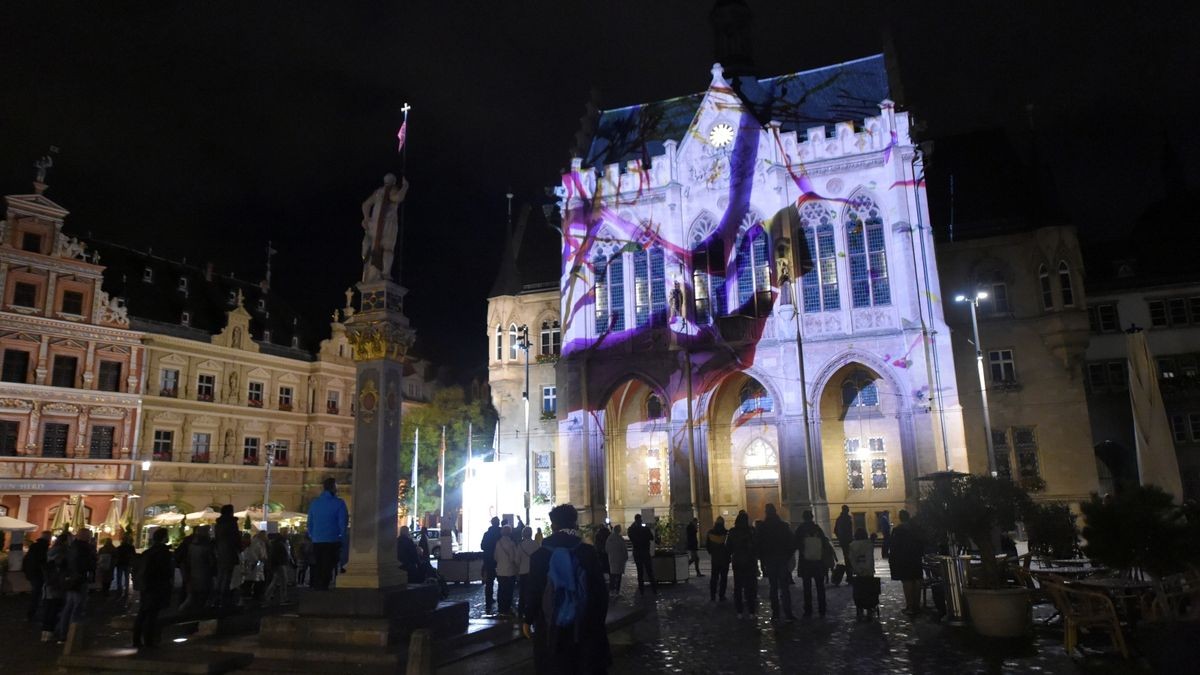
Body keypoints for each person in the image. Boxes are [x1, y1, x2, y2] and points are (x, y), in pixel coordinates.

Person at [521, 504, 610, 675]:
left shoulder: (540, 555)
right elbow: (600, 594)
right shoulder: (587, 552)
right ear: (574, 524)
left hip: (551, 628)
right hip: (583, 628)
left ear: (553, 526)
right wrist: (596, 623)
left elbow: (534, 592)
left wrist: (528, 617)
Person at [133, 528, 174, 650]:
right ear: (164, 538)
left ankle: (137, 639)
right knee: (152, 614)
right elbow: (166, 571)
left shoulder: (148, 552)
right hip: (157, 586)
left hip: (146, 586)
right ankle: (148, 641)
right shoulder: (163, 552)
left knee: (143, 612)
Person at [307, 477, 349, 591]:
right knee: (329, 565)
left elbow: (309, 523)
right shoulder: (339, 503)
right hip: (333, 540)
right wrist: (343, 538)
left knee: (319, 565)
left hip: (317, 540)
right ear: (333, 488)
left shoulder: (314, 503)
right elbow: (343, 523)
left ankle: (318, 586)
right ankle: (324, 587)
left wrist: (312, 535)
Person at [757, 503, 796, 623]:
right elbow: (791, 543)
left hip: (770, 560)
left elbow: (759, 545)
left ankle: (775, 613)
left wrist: (763, 560)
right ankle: (788, 613)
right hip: (782, 559)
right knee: (784, 587)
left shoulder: (763, 527)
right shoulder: (783, 526)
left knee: (773, 587)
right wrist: (787, 556)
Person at [58, 528, 95, 640]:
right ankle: (72, 634)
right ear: (84, 536)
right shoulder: (84, 548)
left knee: (68, 606)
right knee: (77, 607)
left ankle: (63, 632)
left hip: (71, 580)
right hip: (79, 580)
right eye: (89, 535)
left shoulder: (71, 547)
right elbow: (87, 564)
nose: (90, 538)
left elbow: (64, 563)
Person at [794, 510, 831, 617]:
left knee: (807, 587)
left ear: (803, 518)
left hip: (806, 562)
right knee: (820, 586)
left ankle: (808, 609)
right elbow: (824, 543)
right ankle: (822, 608)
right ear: (812, 517)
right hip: (818, 562)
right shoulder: (817, 528)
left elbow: (796, 543)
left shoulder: (800, 529)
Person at [888, 509, 924, 616]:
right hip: (916, 557)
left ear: (900, 518)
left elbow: (893, 547)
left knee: (907, 581)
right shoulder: (916, 528)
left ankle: (910, 606)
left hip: (904, 558)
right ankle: (917, 605)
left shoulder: (898, 530)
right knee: (917, 580)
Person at [727, 511, 758, 618]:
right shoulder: (751, 531)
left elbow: (728, 548)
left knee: (738, 587)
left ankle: (739, 611)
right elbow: (756, 546)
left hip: (738, 562)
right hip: (750, 562)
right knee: (750, 587)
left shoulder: (732, 531)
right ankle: (751, 611)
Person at [41, 531, 70, 642]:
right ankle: (50, 632)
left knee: (48, 608)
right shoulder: (63, 552)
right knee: (54, 609)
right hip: (57, 584)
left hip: (48, 584)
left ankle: (45, 632)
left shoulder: (51, 550)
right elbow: (63, 567)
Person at [180, 526, 214, 612]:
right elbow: (211, 562)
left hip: (193, 575)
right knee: (201, 597)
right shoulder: (206, 548)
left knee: (192, 596)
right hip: (203, 575)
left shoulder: (191, 546)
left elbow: (187, 560)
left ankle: (187, 613)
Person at [213, 505, 241, 608]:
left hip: (221, 552)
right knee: (228, 576)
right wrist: (239, 548)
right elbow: (236, 538)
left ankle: (217, 597)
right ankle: (225, 598)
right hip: (230, 551)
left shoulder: (218, 524)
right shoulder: (232, 523)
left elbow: (216, 539)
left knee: (221, 575)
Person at [848, 527, 879, 621]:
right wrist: (867, 569)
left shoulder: (852, 545)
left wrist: (858, 569)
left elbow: (852, 559)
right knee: (870, 590)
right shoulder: (868, 544)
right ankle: (870, 608)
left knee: (859, 590)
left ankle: (860, 607)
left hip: (858, 571)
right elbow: (869, 558)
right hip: (868, 571)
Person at [626, 514, 656, 596]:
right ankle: (654, 589)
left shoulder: (631, 529)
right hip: (645, 552)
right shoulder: (645, 529)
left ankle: (641, 590)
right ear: (641, 520)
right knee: (649, 571)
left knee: (640, 572)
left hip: (637, 552)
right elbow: (652, 537)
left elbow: (631, 536)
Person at [24, 530, 50, 621]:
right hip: (38, 574)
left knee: (36, 594)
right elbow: (43, 562)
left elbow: (26, 559)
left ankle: (31, 614)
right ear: (48, 538)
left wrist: (27, 572)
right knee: (37, 594)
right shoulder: (43, 547)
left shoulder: (34, 546)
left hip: (32, 573)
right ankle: (32, 614)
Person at [480, 516, 503, 615]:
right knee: (502, 581)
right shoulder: (501, 534)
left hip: (488, 560)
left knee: (489, 582)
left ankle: (489, 600)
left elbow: (482, 546)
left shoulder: (487, 534)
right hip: (500, 561)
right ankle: (501, 599)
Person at [495, 524, 519, 616]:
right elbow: (514, 558)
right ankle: (507, 608)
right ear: (510, 533)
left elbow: (495, 557)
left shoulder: (498, 543)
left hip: (500, 570)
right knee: (509, 590)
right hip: (510, 570)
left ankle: (501, 608)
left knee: (501, 589)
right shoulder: (511, 544)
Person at [263, 532, 293, 606]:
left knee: (275, 581)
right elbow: (283, 555)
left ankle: (267, 597)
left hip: (277, 565)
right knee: (282, 582)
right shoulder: (280, 545)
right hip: (280, 565)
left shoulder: (274, 545)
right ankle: (283, 599)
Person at [516, 526, 541, 616]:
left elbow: (517, 560)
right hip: (533, 572)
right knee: (533, 592)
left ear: (523, 534)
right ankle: (533, 610)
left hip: (523, 571)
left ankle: (521, 610)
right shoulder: (536, 544)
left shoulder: (520, 545)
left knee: (522, 592)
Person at [705, 516, 730, 602]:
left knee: (714, 578)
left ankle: (712, 596)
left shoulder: (710, 533)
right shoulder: (726, 533)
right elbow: (729, 547)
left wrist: (712, 552)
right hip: (724, 559)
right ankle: (721, 595)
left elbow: (707, 546)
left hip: (715, 559)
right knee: (723, 578)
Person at [605, 524, 628, 596]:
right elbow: (624, 549)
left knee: (613, 575)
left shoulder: (609, 538)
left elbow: (606, 549)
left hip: (612, 558)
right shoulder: (620, 538)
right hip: (619, 559)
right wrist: (625, 557)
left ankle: (612, 590)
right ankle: (617, 590)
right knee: (618, 575)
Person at [834, 505, 854, 579]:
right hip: (848, 541)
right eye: (847, 509)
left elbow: (835, 530)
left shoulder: (839, 519)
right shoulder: (847, 519)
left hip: (843, 541)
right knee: (850, 558)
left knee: (847, 558)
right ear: (845, 510)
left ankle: (850, 575)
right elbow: (849, 531)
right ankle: (850, 575)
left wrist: (840, 538)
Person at [114, 533, 135, 599]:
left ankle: (119, 590)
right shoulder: (131, 547)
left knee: (119, 578)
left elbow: (116, 556)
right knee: (126, 578)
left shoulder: (119, 548)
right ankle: (126, 591)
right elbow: (133, 555)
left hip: (120, 564)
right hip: (127, 564)